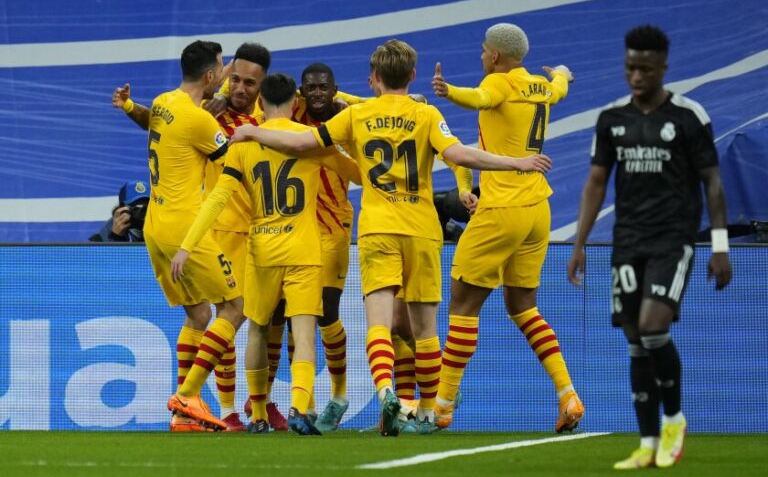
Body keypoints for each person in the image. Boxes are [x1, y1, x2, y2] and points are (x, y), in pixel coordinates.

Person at [230, 39, 552, 436]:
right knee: (425, 328)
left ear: (375, 77)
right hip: (421, 229)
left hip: (378, 228)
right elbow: (461, 155)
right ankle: (430, 411)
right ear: (413, 75)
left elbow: (301, 141)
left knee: (379, 323)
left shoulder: (358, 116)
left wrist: (251, 131)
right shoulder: (427, 114)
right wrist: (517, 162)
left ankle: (386, 390)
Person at [567, 25, 732, 469]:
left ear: (663, 67)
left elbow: (713, 181)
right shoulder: (612, 119)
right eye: (629, 67)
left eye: (645, 68)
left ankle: (675, 419)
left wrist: (720, 245)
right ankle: (647, 441)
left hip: (673, 239)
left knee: (654, 326)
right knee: (636, 340)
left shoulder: (687, 116)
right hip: (628, 241)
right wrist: (579, 243)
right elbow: (596, 183)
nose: (636, 76)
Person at [170, 73, 361, 435]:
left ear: (262, 104)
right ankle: (300, 406)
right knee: (304, 333)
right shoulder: (308, 141)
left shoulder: (243, 144)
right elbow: (362, 176)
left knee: (257, 331)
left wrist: (186, 245)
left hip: (261, 250)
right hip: (304, 249)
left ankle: (257, 413)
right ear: (294, 103)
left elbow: (217, 198)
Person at [431, 22, 584, 433]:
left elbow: (479, 96)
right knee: (524, 307)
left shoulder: (498, 83)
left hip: (501, 209)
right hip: (538, 211)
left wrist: (449, 92)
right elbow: (561, 88)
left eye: (484, 51)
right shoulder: (540, 86)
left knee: (463, 306)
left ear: (495, 56)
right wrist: (563, 73)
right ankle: (568, 393)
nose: (482, 56)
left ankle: (442, 406)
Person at [140, 40, 247, 432]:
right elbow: (231, 161)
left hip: (155, 226)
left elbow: (150, 119)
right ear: (209, 75)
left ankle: (185, 414)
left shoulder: (165, 102)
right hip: (186, 228)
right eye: (221, 69)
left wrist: (132, 108)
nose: (224, 75)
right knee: (234, 308)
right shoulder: (201, 121)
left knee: (199, 313)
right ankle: (188, 393)